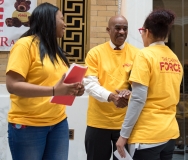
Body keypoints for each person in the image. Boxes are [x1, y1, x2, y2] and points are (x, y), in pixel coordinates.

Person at [6, 2, 85, 160]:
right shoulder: (24, 45)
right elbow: (12, 85)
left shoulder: (55, 50)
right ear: (49, 20)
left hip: (58, 123)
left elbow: (59, 84)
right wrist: (55, 90)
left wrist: (74, 89)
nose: (65, 24)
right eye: (62, 19)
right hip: (29, 125)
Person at [116, 9, 183, 160]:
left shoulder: (145, 55)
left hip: (147, 136)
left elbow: (139, 99)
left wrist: (123, 135)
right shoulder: (174, 59)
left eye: (141, 31)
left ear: (146, 32)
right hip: (169, 133)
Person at [83, 15, 139, 160]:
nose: (122, 32)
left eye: (125, 29)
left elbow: (140, 85)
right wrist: (112, 97)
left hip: (126, 124)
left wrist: (130, 92)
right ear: (108, 30)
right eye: (117, 28)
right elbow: (89, 84)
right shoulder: (95, 53)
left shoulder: (137, 55)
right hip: (98, 122)